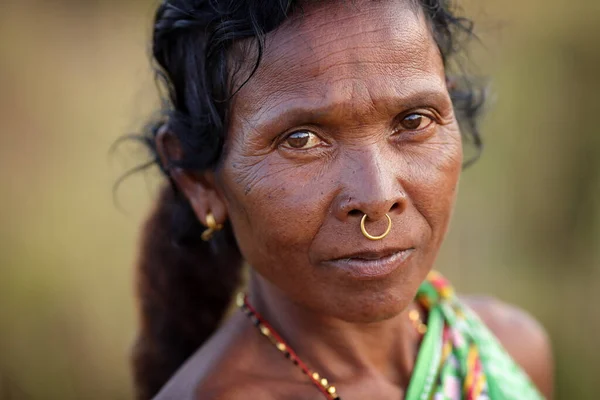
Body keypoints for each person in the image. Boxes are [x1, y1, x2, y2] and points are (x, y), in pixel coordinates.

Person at [130, 0, 554, 399]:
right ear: (200, 182)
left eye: (413, 120)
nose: (378, 196)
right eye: (301, 139)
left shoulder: (505, 351)